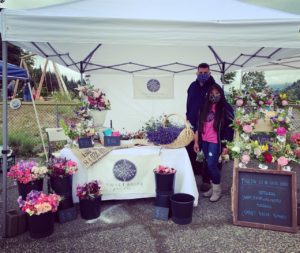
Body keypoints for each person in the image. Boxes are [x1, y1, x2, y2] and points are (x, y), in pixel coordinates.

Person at [193, 84, 234, 202]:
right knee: (208, 164)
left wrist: (226, 145)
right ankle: (213, 187)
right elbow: (198, 126)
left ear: (221, 94)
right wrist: (196, 142)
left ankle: (217, 190)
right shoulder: (204, 107)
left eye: (217, 93)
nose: (214, 96)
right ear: (208, 94)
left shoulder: (225, 108)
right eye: (212, 94)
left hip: (216, 142)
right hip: (204, 141)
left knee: (211, 164)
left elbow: (230, 128)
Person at [186, 63, 216, 191]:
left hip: (206, 125)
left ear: (209, 73)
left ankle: (206, 180)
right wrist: (187, 115)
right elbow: (189, 102)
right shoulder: (192, 86)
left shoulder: (214, 88)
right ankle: (192, 173)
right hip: (192, 123)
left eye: (205, 73)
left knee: (205, 152)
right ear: (197, 73)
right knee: (191, 149)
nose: (202, 75)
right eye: (200, 73)